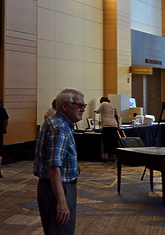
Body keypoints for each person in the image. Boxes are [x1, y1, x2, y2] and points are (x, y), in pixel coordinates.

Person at [34, 87, 85, 234]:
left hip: (55, 187)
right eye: (79, 105)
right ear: (64, 106)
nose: (82, 109)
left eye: (83, 106)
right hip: (58, 188)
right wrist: (62, 202)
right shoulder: (59, 128)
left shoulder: (58, 122)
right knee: (61, 230)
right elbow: (54, 166)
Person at [96, 95, 120, 160]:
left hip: (106, 125)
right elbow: (117, 115)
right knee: (114, 141)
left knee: (106, 141)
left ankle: (106, 155)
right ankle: (114, 155)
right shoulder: (113, 105)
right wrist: (118, 125)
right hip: (113, 125)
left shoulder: (103, 104)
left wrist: (95, 111)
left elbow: (98, 111)